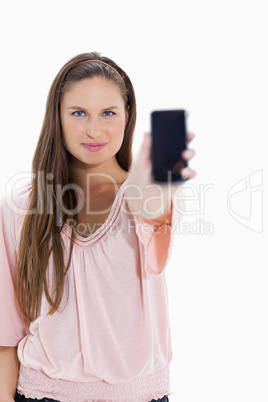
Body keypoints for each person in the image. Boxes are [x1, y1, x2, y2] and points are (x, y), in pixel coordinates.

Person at [0, 52, 196, 402]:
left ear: (127, 117)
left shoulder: (146, 198)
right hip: (41, 394)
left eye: (108, 113)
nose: (94, 130)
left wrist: (156, 188)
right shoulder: (22, 204)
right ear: (57, 118)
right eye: (78, 113)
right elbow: (5, 331)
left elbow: (149, 214)